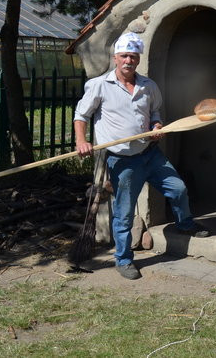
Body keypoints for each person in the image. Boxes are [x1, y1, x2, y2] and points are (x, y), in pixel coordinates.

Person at [74, 32, 208, 280]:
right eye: (124, 56)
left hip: (150, 153)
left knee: (177, 189)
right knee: (124, 213)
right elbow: (81, 115)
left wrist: (157, 126)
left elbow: (155, 113)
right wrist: (82, 141)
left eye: (133, 57)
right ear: (115, 58)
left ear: (138, 60)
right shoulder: (100, 85)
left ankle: (185, 224)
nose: (128, 61)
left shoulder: (148, 86)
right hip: (123, 160)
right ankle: (124, 259)